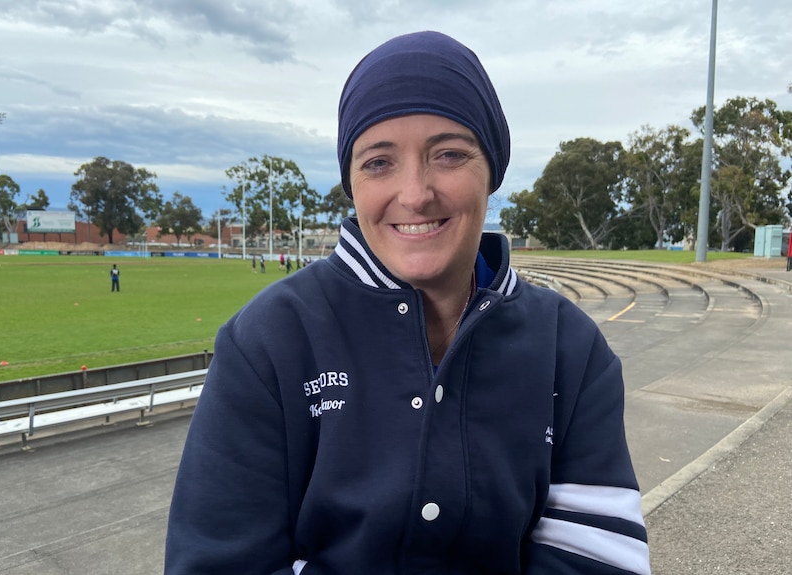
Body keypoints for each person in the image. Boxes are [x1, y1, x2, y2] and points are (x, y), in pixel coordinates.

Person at [165, 31, 649, 575]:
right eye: (378, 162)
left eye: (448, 154)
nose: (415, 193)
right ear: (351, 181)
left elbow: (599, 559)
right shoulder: (269, 341)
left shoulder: (571, 349)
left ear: (493, 170)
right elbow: (217, 562)